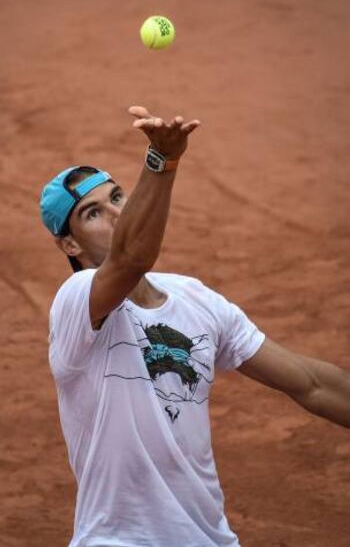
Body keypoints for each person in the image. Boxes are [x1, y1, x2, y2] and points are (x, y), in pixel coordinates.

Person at [40, 105, 350, 547]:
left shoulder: (195, 300)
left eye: (117, 198)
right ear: (69, 243)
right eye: (91, 213)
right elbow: (130, 259)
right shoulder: (77, 303)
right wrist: (161, 163)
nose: (114, 214)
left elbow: (312, 384)